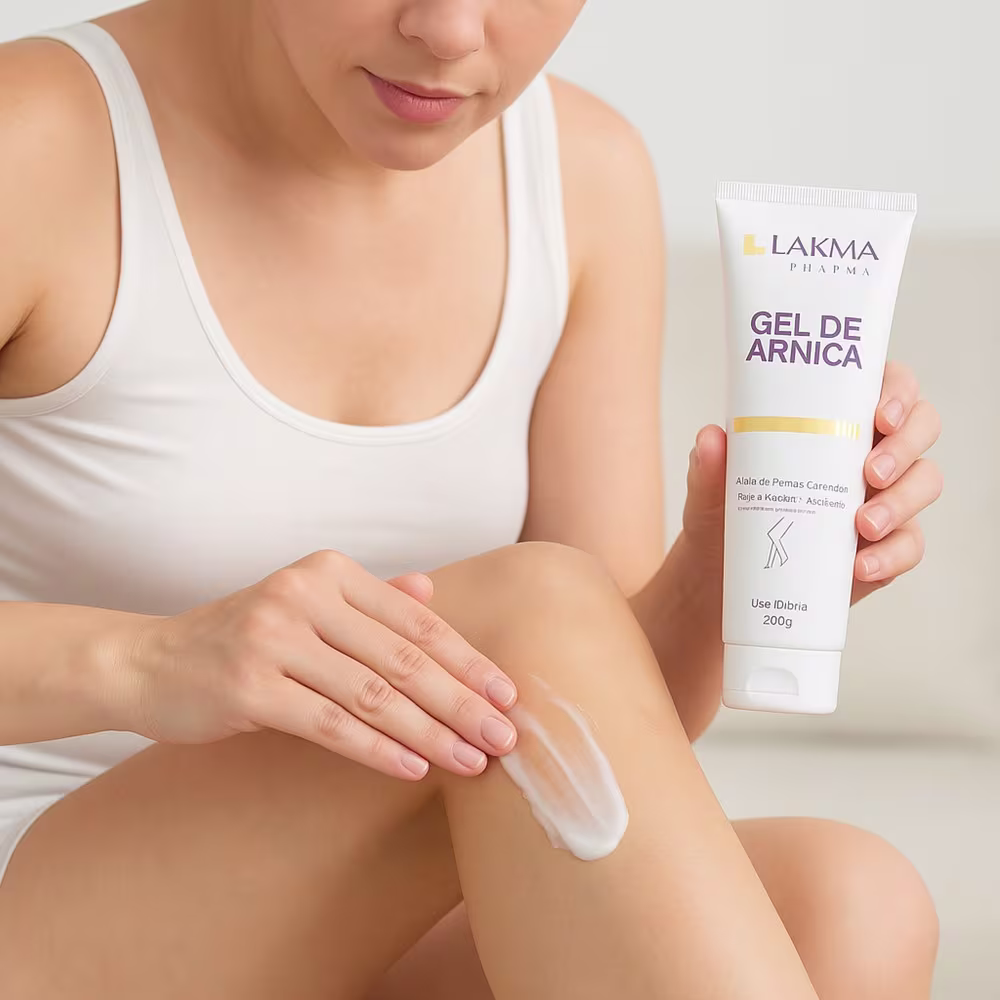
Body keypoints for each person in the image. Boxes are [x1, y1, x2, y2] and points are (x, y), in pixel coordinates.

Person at [0, 1, 944, 997]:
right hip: (41, 891)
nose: (449, 31)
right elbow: (535, 633)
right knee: (524, 608)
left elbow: (600, 725)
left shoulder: (583, 176)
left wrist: (727, 571)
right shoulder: (37, 140)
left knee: (851, 906)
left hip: (364, 917)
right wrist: (149, 659)